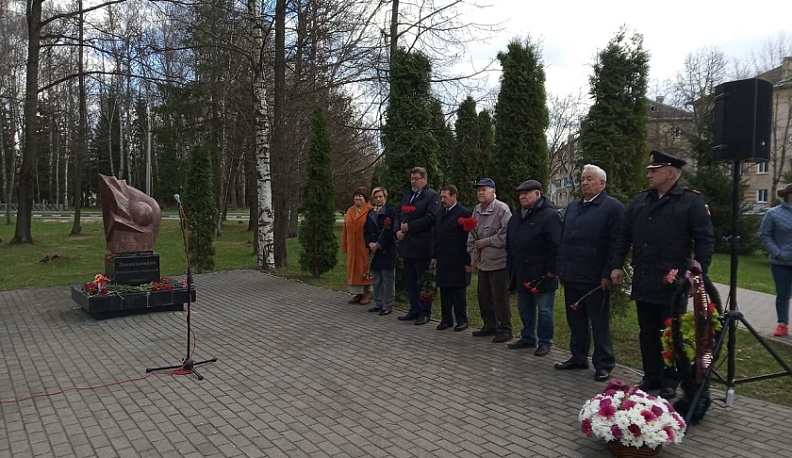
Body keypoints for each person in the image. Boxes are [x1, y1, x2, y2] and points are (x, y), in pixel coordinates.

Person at [611, 151, 714, 398]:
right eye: (649, 170)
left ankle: (670, 379)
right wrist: (616, 265)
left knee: (671, 331)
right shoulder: (641, 201)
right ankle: (651, 375)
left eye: (654, 171)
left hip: (673, 281)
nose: (649, 175)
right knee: (647, 331)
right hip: (645, 277)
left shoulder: (690, 202)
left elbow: (705, 240)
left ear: (670, 172)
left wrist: (696, 275)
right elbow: (624, 236)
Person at [555, 165, 625, 380]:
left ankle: (604, 363)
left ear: (602, 184)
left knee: (599, 322)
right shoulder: (573, 207)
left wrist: (609, 271)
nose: (584, 182)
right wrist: (561, 268)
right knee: (576, 320)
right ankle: (578, 357)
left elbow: (617, 242)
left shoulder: (612, 207)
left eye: (589, 179)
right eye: (583, 179)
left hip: (596, 277)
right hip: (572, 274)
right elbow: (564, 239)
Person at [505, 180, 561, 357]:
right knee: (524, 308)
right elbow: (509, 243)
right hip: (521, 271)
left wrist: (552, 269)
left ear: (537, 194)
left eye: (526, 193)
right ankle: (528, 337)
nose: (522, 197)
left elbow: (555, 245)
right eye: (520, 194)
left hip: (542, 273)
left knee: (544, 310)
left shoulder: (549, 216)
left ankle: (545, 342)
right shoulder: (516, 217)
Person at [467, 178, 513, 343]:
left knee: (499, 297)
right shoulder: (477, 209)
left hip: (498, 261)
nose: (480, 193)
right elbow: (471, 234)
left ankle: (505, 329)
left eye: (483, 189)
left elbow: (506, 235)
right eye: (478, 190)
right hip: (482, 262)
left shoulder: (502, 209)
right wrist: (472, 256)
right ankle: (489, 325)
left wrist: (486, 242)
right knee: (483, 295)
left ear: (493, 192)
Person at [395, 167, 441, 326]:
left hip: (422, 246)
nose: (413, 182)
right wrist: (397, 230)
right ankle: (414, 309)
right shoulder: (408, 196)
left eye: (416, 179)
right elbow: (399, 214)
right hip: (407, 246)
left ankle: (425, 312)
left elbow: (431, 217)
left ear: (424, 180)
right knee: (411, 281)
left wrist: (410, 227)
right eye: (411, 178)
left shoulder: (431, 196)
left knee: (423, 281)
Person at [431, 185, 472, 331]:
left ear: (454, 196)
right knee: (445, 291)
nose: (442, 200)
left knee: (458, 292)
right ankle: (446, 319)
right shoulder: (440, 213)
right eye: (441, 197)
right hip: (443, 258)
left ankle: (462, 320)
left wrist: (468, 261)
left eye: (445, 197)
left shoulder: (464, 213)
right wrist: (434, 256)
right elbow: (436, 236)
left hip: (458, 259)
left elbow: (468, 239)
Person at [759, 184, 792, 337]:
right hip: (781, 263)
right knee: (783, 294)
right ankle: (782, 324)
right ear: (789, 195)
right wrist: (777, 252)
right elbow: (765, 235)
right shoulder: (773, 213)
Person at [365, 187, 399, 316]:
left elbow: (390, 231)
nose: (378, 199)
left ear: (385, 197)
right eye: (376, 197)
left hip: (387, 249)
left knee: (387, 278)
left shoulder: (391, 212)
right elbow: (366, 230)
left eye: (380, 197)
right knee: (376, 278)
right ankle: (378, 303)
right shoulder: (370, 213)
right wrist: (369, 243)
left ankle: (387, 305)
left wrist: (379, 244)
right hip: (373, 249)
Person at [342, 187, 374, 305]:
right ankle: (358, 293)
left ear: (365, 198)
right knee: (354, 269)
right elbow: (345, 229)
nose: (357, 198)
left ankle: (367, 293)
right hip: (352, 246)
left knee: (365, 269)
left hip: (365, 246)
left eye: (360, 195)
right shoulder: (350, 210)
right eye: (356, 195)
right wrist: (344, 245)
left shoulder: (370, 210)